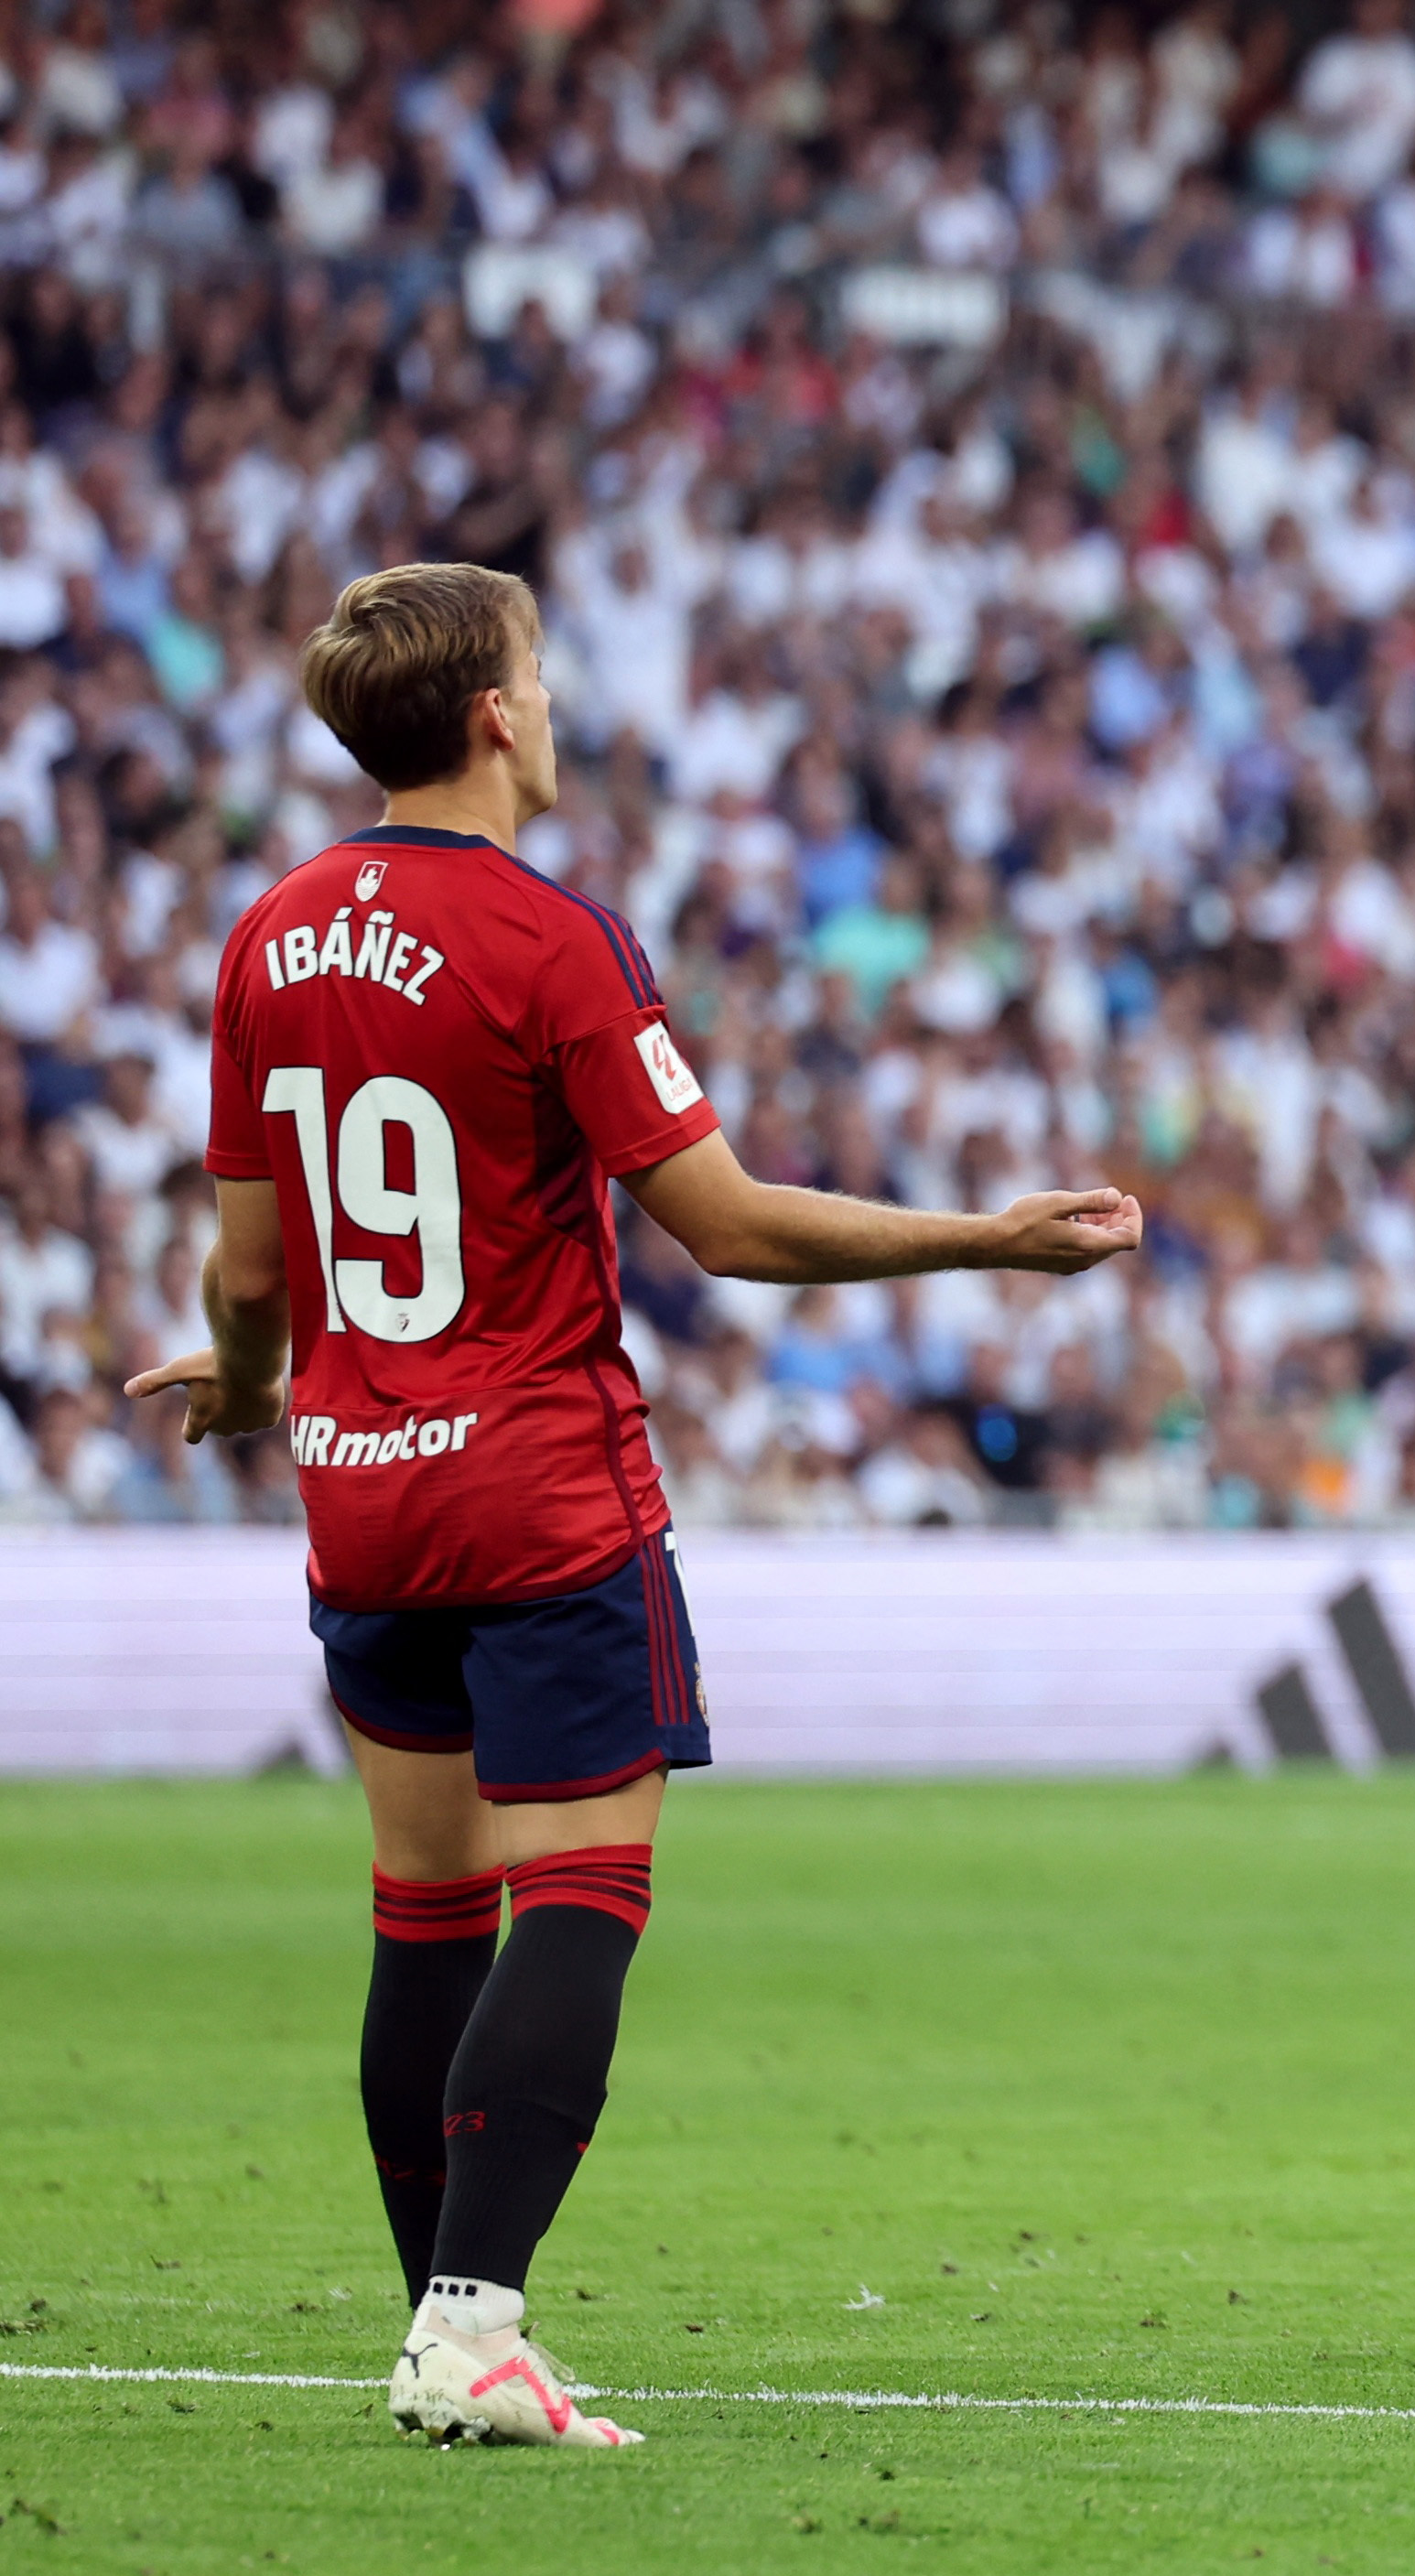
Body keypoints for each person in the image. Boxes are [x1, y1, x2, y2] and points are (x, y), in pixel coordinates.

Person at [126, 563, 1142, 2449]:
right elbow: (729, 1220)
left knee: (423, 1912)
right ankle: (472, 2320)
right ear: (497, 715)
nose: (560, 702)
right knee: (580, 1894)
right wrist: (988, 1238)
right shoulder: (551, 940)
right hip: (537, 1491)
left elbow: (252, 1277)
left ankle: (443, 2330)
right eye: (543, 673)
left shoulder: (267, 939)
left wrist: (257, 1395)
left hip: (359, 1494)